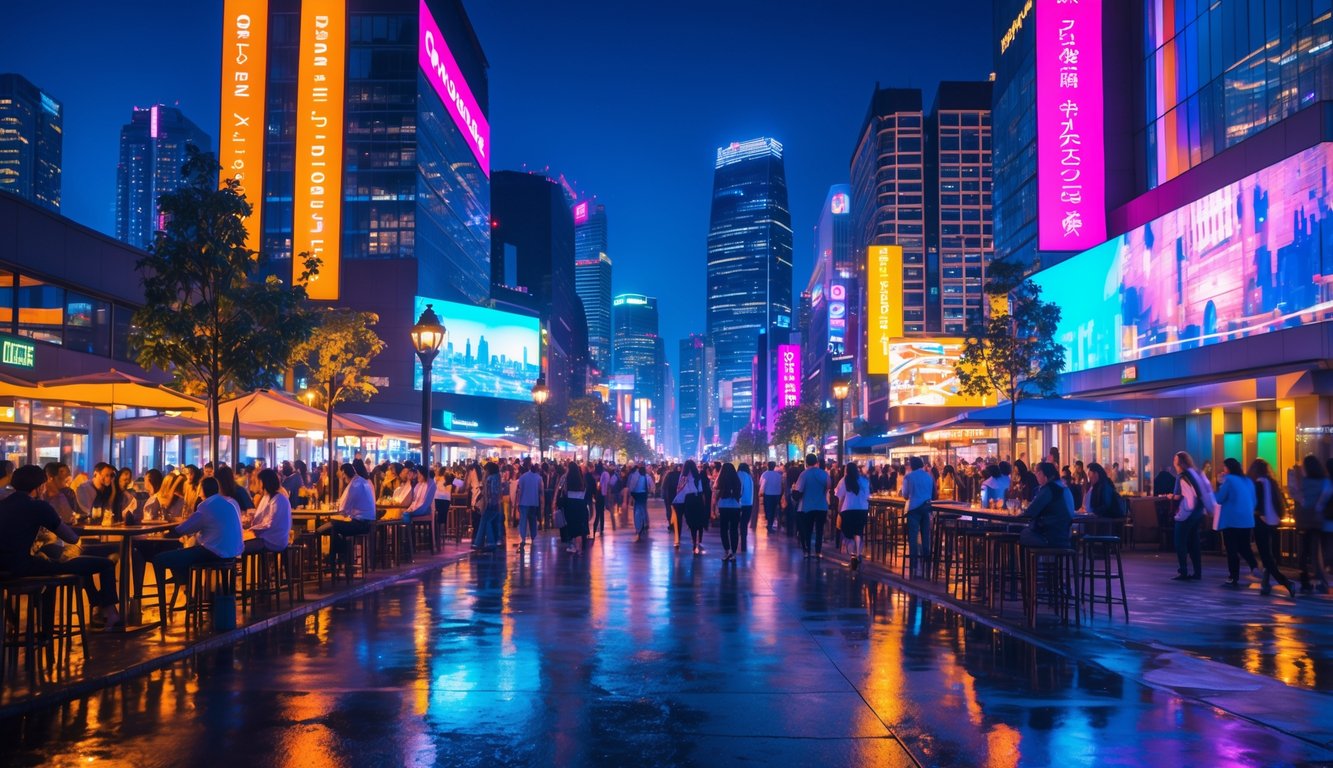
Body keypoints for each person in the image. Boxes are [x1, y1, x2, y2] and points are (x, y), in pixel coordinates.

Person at [0, 465, 122, 630]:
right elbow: (71, 538)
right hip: (22, 567)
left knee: (58, 564)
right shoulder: (38, 506)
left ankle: (47, 632)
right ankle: (110, 614)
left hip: (4, 568)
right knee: (105, 564)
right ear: (39, 486)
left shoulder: (4, 503)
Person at [153, 477, 245, 589]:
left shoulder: (206, 506)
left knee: (160, 558)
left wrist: (164, 535)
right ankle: (186, 584)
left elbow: (182, 530)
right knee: (184, 552)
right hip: (233, 552)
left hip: (214, 552)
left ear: (202, 490)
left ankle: (186, 587)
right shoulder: (227, 503)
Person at [1249, 459, 1297, 597]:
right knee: (1269, 556)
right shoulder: (1272, 482)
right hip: (1274, 521)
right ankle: (1265, 584)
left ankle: (1286, 582)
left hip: (1261, 522)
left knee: (1266, 557)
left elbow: (1256, 505)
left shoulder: (1257, 484)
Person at [319, 464, 376, 572]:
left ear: (344, 473)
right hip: (368, 522)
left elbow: (344, 509)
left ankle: (338, 558)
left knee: (333, 526)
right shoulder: (361, 481)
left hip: (361, 523)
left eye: (342, 475)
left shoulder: (354, 485)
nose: (342, 478)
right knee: (333, 526)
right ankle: (339, 557)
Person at [1170, 451, 1217, 582]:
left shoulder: (1181, 476)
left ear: (1179, 462)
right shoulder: (1196, 473)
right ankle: (1197, 572)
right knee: (1194, 542)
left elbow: (1180, 496)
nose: (1173, 462)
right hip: (1198, 512)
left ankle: (1183, 571)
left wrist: (1170, 496)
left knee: (1180, 541)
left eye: (1175, 459)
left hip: (1186, 513)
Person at [1213, 458, 1259, 588]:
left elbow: (1220, 499)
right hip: (1247, 520)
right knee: (1244, 546)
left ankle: (1233, 577)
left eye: (1224, 468)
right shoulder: (1248, 481)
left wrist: (1219, 486)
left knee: (1232, 549)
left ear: (1228, 468)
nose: (1223, 470)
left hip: (1231, 520)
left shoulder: (1229, 480)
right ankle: (1254, 566)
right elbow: (1254, 501)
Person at [1292, 454, 1331, 593]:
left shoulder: (1304, 481)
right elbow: (1327, 494)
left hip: (1304, 519)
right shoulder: (1324, 481)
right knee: (1316, 552)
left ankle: (1305, 581)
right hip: (1317, 520)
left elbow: (1296, 495)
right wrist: (1319, 505)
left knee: (1303, 552)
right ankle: (1322, 580)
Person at [1018, 462, 1074, 548]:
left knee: (1021, 533)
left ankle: (1025, 561)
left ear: (1041, 473)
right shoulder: (1063, 486)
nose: (1036, 477)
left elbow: (1031, 512)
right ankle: (1038, 561)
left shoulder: (1049, 489)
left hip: (1049, 536)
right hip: (1065, 535)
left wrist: (1019, 514)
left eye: (1036, 474)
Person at [244, 468, 292, 555]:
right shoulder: (268, 497)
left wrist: (253, 528)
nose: (257, 485)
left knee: (240, 546)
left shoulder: (279, 499)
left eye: (258, 482)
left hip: (274, 540)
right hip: (266, 536)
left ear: (263, 483)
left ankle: (253, 568)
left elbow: (270, 523)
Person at [901, 456, 935, 576]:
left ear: (912, 465)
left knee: (913, 537)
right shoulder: (929, 476)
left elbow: (905, 495)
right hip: (927, 507)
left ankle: (914, 564)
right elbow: (932, 493)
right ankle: (927, 562)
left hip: (914, 508)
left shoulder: (908, 477)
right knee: (926, 536)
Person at [793, 454, 831, 559]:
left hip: (807, 506)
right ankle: (818, 551)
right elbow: (828, 487)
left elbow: (799, 490)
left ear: (806, 462)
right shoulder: (824, 474)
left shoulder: (804, 474)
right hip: (822, 506)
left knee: (807, 530)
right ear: (816, 462)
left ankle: (807, 550)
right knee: (819, 530)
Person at [835, 462, 871, 570]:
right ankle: (858, 553)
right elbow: (867, 495)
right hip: (862, 509)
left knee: (848, 533)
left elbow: (840, 497)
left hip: (848, 509)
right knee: (858, 531)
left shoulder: (843, 481)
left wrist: (839, 510)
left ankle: (852, 556)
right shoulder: (864, 481)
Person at [674, 460, 707, 554]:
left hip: (689, 499)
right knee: (699, 520)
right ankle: (699, 539)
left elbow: (679, 489)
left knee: (691, 521)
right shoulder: (698, 475)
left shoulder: (683, 476)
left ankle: (693, 542)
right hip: (698, 498)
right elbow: (701, 489)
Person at [712, 463, 743, 561]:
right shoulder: (737, 481)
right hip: (735, 507)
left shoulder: (720, 481)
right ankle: (733, 553)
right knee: (734, 530)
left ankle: (727, 550)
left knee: (724, 530)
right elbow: (740, 494)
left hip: (723, 507)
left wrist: (714, 509)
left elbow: (715, 494)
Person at [560, 461, 590, 554]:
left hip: (570, 505)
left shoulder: (567, 480)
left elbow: (563, 492)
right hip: (580, 505)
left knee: (572, 527)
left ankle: (574, 546)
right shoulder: (581, 480)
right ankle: (579, 548)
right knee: (579, 528)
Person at [473, 462, 505, 553]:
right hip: (496, 503)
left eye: (485, 469)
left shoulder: (489, 479)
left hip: (489, 503)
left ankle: (488, 542)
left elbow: (487, 493)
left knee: (486, 521)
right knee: (486, 521)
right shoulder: (498, 478)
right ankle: (480, 542)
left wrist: (485, 504)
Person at [515, 460, 543, 549]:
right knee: (532, 520)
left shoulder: (522, 477)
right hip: (534, 502)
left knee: (523, 520)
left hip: (523, 502)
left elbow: (519, 491)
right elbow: (540, 490)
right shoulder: (538, 478)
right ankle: (533, 537)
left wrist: (517, 503)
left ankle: (523, 538)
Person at [626, 464, 651, 541]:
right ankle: (644, 523)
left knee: (637, 510)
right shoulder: (647, 476)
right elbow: (652, 486)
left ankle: (638, 528)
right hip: (643, 495)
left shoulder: (634, 475)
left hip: (637, 495)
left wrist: (630, 493)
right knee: (643, 508)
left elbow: (631, 486)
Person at [760, 461, 784, 532]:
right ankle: (771, 524)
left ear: (768, 466)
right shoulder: (779, 475)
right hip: (777, 494)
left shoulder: (765, 474)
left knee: (768, 510)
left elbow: (762, 484)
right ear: (774, 466)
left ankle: (769, 525)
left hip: (768, 495)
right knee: (774, 510)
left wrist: (761, 492)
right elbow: (781, 484)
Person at [736, 462, 755, 551]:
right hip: (749, 503)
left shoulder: (740, 474)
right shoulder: (749, 476)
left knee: (736, 524)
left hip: (740, 503)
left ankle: (737, 543)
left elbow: (739, 488)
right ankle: (744, 543)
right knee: (744, 524)